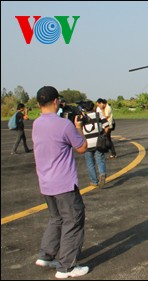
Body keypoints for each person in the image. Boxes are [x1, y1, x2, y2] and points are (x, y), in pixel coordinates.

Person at [32, 86, 90, 278]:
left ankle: (46, 255)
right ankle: (67, 267)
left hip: (46, 184)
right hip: (64, 184)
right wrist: (78, 128)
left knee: (56, 219)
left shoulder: (37, 124)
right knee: (73, 220)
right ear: (56, 101)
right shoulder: (63, 125)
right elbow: (81, 148)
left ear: (39, 104)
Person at [82, 100, 110, 188]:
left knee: (90, 163)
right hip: (98, 142)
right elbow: (107, 126)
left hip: (87, 143)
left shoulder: (82, 118)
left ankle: (94, 181)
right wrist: (103, 135)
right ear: (93, 108)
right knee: (100, 159)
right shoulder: (98, 115)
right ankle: (102, 174)